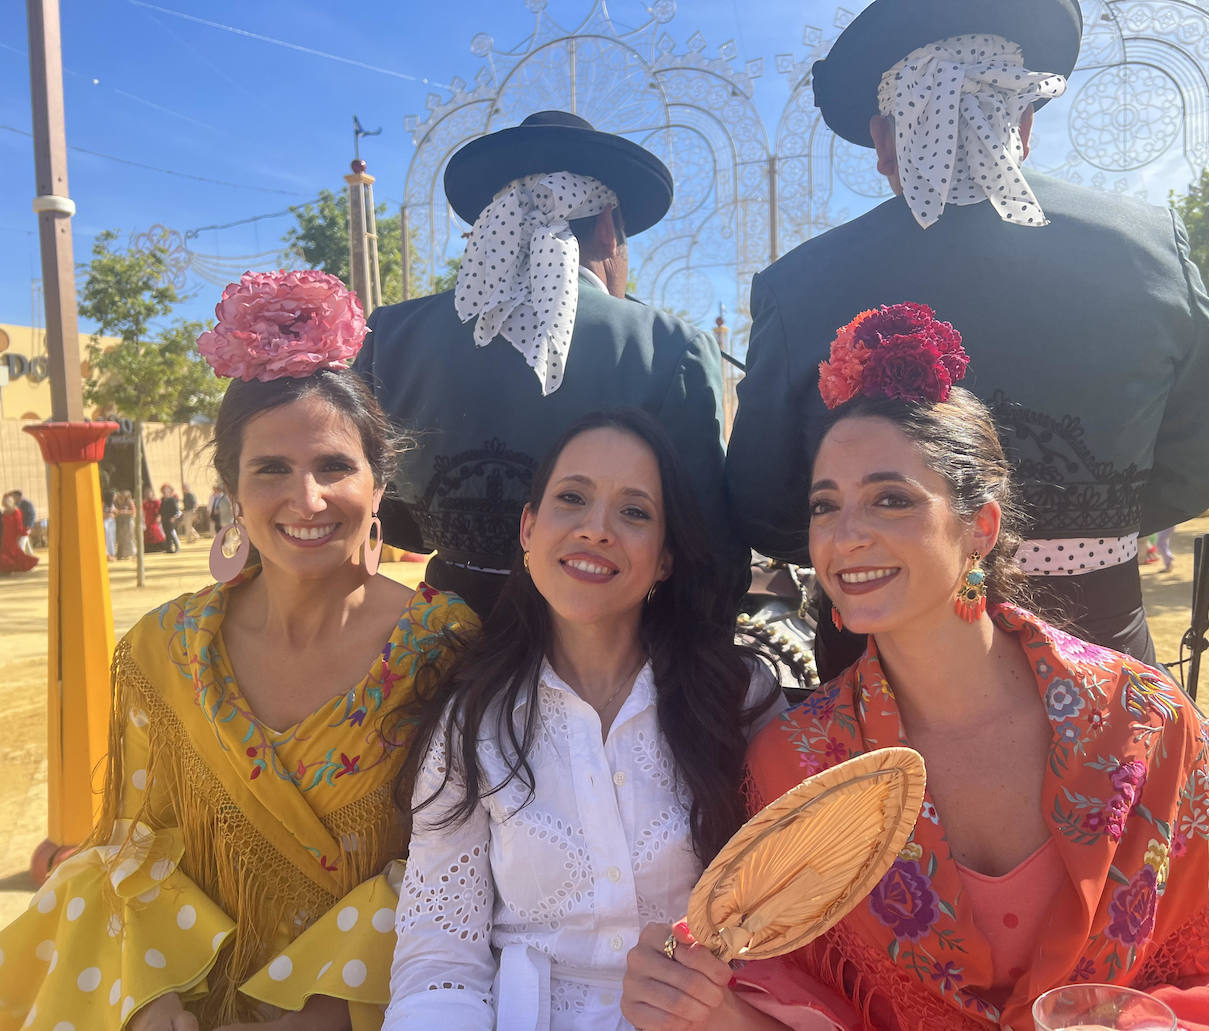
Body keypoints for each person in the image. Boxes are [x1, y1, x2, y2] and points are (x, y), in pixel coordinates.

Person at [628, 306, 1209, 1031]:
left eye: (891, 498)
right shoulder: (799, 766)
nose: (848, 535)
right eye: (827, 505)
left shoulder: (1143, 720)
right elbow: (804, 1006)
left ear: (980, 525)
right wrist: (710, 1010)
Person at [0, 270, 478, 1030]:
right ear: (231, 487)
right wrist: (149, 1000)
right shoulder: (163, 653)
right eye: (271, 470)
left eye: (333, 466)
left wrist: (319, 1012)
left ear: (380, 483)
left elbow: (460, 870)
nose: (308, 499)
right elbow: (132, 850)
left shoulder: (448, 648)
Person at [725, 0, 1209, 677]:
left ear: (884, 139)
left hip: (883, 685)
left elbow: (763, 508)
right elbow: (1197, 469)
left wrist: (888, 542)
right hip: (1105, 682)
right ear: (1022, 120)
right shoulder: (1149, 247)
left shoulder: (799, 286)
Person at [384, 408, 783, 1029]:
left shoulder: (739, 699)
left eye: (634, 511)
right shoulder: (471, 720)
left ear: (666, 557)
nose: (597, 530)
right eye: (572, 498)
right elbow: (440, 958)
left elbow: (802, 921)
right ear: (528, 526)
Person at [356, 110, 740, 621]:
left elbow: (388, 523)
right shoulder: (670, 346)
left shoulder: (390, 334)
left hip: (432, 642)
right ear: (608, 229)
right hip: (599, 652)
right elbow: (708, 553)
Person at [0, 492, 39, 574]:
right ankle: (7, 569)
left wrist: (19, 534)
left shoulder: (16, 511)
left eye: (5, 501)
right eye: (3, 501)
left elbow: (19, 524)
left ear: (10, 501)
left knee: (14, 553)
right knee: (5, 552)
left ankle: (23, 566)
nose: (4, 503)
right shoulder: (4, 512)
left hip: (13, 535)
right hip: (5, 536)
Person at [12, 489, 37, 557]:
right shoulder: (17, 503)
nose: (13, 498)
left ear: (19, 496)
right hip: (20, 527)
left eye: (14, 496)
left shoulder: (26, 503)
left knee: (20, 544)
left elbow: (32, 514)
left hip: (25, 526)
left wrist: (29, 525)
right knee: (25, 544)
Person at [114, 489, 137, 560]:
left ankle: (131, 553)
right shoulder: (117, 502)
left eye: (124, 495)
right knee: (121, 538)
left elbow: (134, 511)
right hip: (120, 521)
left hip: (128, 521)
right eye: (121, 495)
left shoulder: (130, 501)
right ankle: (121, 554)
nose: (122, 496)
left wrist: (125, 511)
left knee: (129, 537)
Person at [142, 486, 167, 552]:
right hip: (148, 518)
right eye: (146, 493)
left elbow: (160, 510)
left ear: (152, 493)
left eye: (149, 493)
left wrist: (159, 517)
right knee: (147, 532)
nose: (148, 494)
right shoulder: (145, 502)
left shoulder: (156, 501)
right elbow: (143, 510)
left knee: (155, 531)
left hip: (154, 519)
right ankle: (149, 548)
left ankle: (161, 547)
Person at [159, 483, 182, 553]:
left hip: (171, 520)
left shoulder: (172, 500)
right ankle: (169, 549)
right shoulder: (162, 499)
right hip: (164, 519)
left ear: (170, 491)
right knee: (167, 534)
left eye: (166, 490)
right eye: (163, 490)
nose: (164, 492)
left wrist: (174, 518)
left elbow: (177, 511)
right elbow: (161, 510)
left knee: (172, 533)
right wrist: (159, 516)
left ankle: (177, 547)